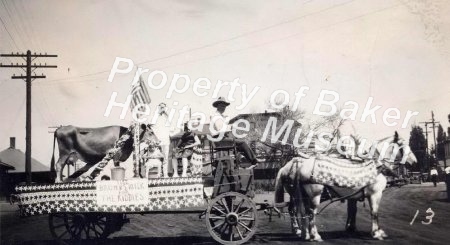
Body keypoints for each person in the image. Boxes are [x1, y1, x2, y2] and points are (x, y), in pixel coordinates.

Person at [210, 97, 259, 168]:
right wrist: (230, 127)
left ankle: (243, 162)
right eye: (222, 106)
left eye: (225, 106)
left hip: (221, 139)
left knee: (239, 142)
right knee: (242, 143)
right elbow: (220, 129)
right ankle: (253, 161)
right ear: (218, 106)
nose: (224, 108)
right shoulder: (215, 116)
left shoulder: (220, 116)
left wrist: (231, 126)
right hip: (219, 140)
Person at [151, 103, 175, 178]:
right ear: (158, 107)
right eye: (161, 107)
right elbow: (153, 127)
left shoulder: (168, 117)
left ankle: (165, 174)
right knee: (158, 157)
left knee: (165, 158)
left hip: (166, 140)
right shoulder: (155, 117)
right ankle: (158, 173)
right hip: (158, 141)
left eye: (163, 107)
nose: (162, 108)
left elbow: (172, 128)